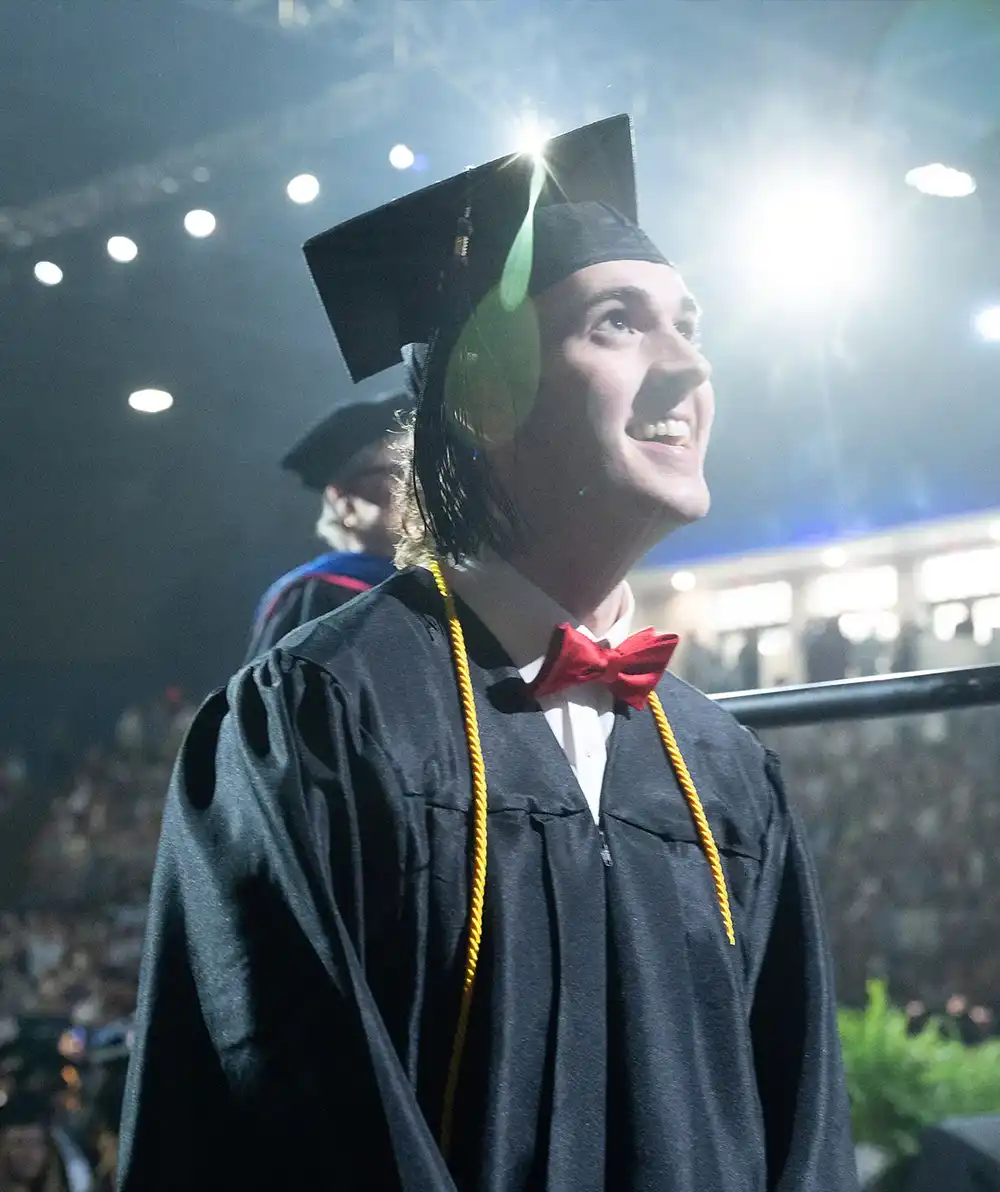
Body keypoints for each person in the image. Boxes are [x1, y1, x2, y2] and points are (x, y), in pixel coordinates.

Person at [118, 116, 857, 1190]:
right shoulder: (322, 717)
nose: (688, 365)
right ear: (487, 392)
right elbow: (288, 1109)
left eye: (689, 326)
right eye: (619, 323)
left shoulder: (728, 771)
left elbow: (803, 1131)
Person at [243, 390, 410, 660]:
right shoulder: (319, 595)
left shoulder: (447, 589)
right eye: (397, 472)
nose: (415, 486)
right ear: (344, 500)